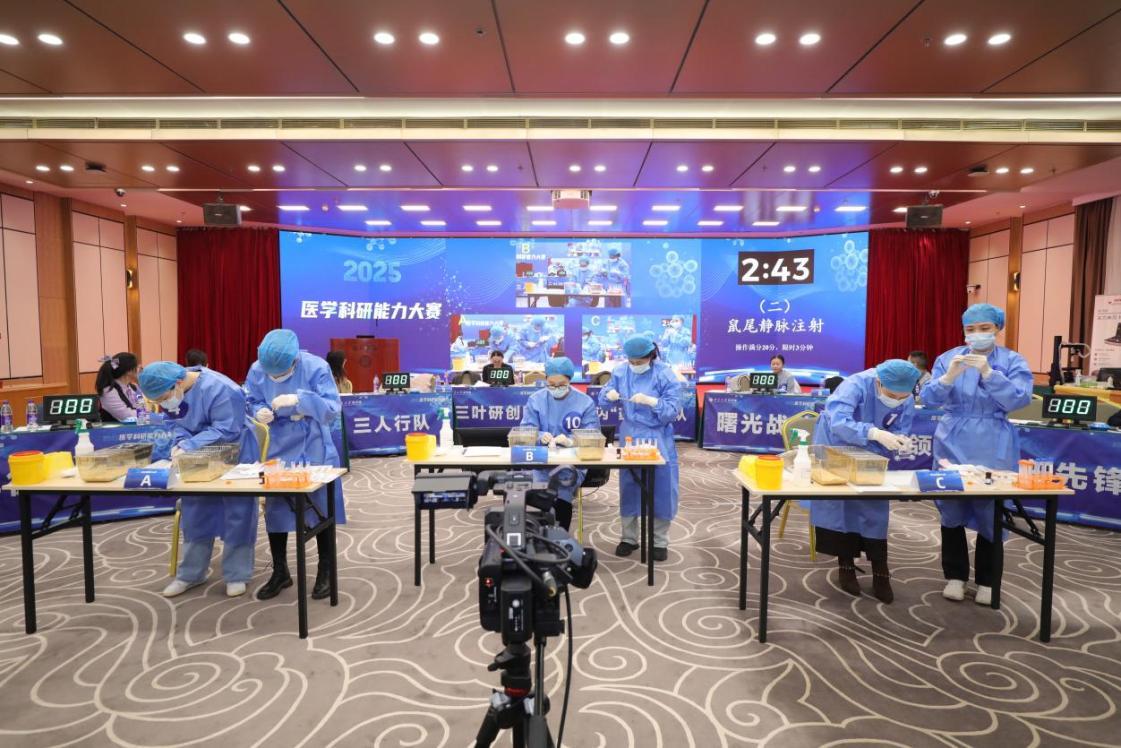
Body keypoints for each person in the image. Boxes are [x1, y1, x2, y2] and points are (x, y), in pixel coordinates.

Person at [921, 304, 1032, 606]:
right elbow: (928, 398)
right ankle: (955, 576)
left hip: (993, 440)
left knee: (991, 510)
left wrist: (989, 374)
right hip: (952, 437)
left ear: (997, 328)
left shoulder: (1012, 361)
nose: (977, 334)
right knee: (950, 507)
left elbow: (1019, 398)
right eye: (970, 329)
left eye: (984, 328)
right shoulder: (948, 359)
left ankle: (987, 581)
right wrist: (948, 378)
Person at [139, 362, 259, 598]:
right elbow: (174, 422)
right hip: (196, 458)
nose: (164, 403)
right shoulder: (171, 390)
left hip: (236, 453)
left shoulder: (223, 389)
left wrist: (191, 444)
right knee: (195, 512)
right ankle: (191, 574)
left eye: (164, 398)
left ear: (177, 384)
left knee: (238, 513)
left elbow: (228, 429)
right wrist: (180, 442)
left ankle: (237, 574)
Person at [809, 360, 921, 603]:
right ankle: (846, 564)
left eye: (902, 396)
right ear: (879, 382)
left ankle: (880, 569)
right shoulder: (855, 385)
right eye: (892, 395)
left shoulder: (905, 394)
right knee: (841, 505)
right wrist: (874, 432)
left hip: (873, 450)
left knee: (874, 504)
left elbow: (902, 424)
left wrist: (900, 439)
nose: (897, 400)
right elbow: (839, 421)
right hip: (836, 442)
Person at [246, 329, 346, 602]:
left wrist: (301, 401)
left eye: (281, 373)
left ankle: (326, 569)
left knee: (320, 508)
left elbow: (331, 409)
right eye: (271, 374)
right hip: (277, 445)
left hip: (312, 444)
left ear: (294, 361)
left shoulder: (316, 367)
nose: (275, 378)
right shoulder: (257, 369)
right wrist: (257, 412)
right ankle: (280, 571)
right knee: (276, 507)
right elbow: (251, 400)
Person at [598, 335, 682, 561]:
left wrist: (653, 402)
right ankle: (629, 538)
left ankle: (659, 541)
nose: (634, 365)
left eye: (639, 362)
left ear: (650, 356)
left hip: (657, 435)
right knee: (630, 486)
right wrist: (608, 394)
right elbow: (603, 397)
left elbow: (673, 409)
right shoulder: (620, 371)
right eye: (631, 361)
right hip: (631, 434)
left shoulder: (664, 373)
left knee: (661, 487)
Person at [518, 357, 600, 530]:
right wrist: (540, 436)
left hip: (571, 463)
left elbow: (592, 435)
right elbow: (526, 430)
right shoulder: (536, 400)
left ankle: (560, 536)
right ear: (546, 380)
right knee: (532, 491)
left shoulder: (585, 402)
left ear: (570, 380)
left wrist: (572, 440)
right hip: (540, 461)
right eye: (551, 384)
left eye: (561, 384)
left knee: (562, 489)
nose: (556, 388)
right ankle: (537, 535)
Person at [95, 352, 142, 422]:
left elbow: (142, 406)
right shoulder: (109, 391)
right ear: (128, 371)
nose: (141, 368)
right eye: (138, 366)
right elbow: (126, 416)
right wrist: (148, 415)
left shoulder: (134, 387)